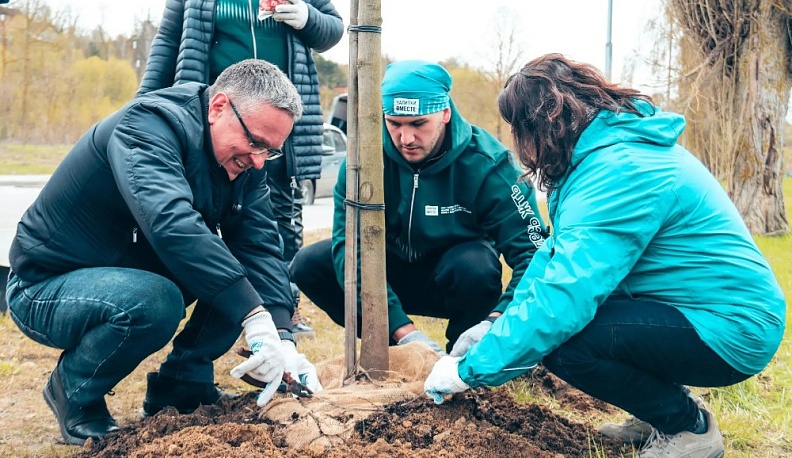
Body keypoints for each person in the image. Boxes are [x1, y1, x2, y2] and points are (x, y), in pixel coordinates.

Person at [423, 54, 787, 458]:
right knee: (574, 327)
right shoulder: (602, 158)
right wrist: (496, 325)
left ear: (538, 127)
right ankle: (659, 413)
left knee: (566, 344)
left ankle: (689, 428)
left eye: (517, 130)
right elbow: (554, 260)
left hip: (731, 328)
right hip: (700, 311)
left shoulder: (620, 170)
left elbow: (562, 299)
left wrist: (469, 371)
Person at [6, 59, 322, 446]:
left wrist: (281, 333)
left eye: (270, 151)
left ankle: (182, 384)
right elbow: (170, 224)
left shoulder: (247, 163)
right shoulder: (148, 126)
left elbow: (260, 248)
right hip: (46, 285)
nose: (259, 160)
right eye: (255, 142)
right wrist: (253, 316)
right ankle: (75, 393)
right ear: (218, 107)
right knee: (158, 300)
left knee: (238, 274)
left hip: (130, 273)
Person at [290, 60, 547, 355]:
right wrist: (404, 332)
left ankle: (464, 357)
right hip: (387, 276)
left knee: (475, 264)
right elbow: (350, 245)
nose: (406, 139)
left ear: (445, 113)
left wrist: (495, 322)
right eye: (394, 123)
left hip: (456, 279)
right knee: (310, 263)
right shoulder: (363, 161)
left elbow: (533, 253)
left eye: (418, 124)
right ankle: (402, 351)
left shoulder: (491, 165)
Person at [137, 0, 344, 338]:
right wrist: (144, 104)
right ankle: (234, 309)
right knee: (204, 218)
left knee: (280, 220)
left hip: (279, 126)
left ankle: (283, 309)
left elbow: (332, 29)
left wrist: (307, 17)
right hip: (219, 124)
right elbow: (167, 43)